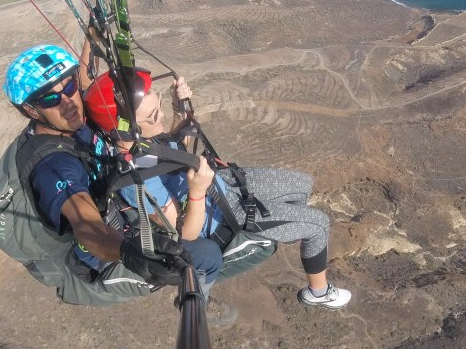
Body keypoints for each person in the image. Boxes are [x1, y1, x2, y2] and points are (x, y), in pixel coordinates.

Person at [0, 44, 233, 321]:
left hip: (121, 214)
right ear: (30, 110)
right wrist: (128, 253)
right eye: (50, 99)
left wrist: (91, 36)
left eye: (69, 87)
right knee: (205, 254)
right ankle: (199, 308)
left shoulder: (73, 120)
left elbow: (89, 79)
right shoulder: (53, 165)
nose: (69, 103)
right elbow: (87, 225)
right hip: (99, 263)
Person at [84, 69, 352, 309]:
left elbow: (176, 144)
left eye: (160, 107)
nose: (161, 115)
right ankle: (317, 292)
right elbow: (185, 235)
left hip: (222, 187)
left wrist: (181, 107)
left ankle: (288, 227)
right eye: (153, 115)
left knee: (302, 185)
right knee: (318, 224)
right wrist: (197, 191)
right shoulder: (138, 182)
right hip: (222, 218)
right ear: (125, 130)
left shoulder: (144, 143)